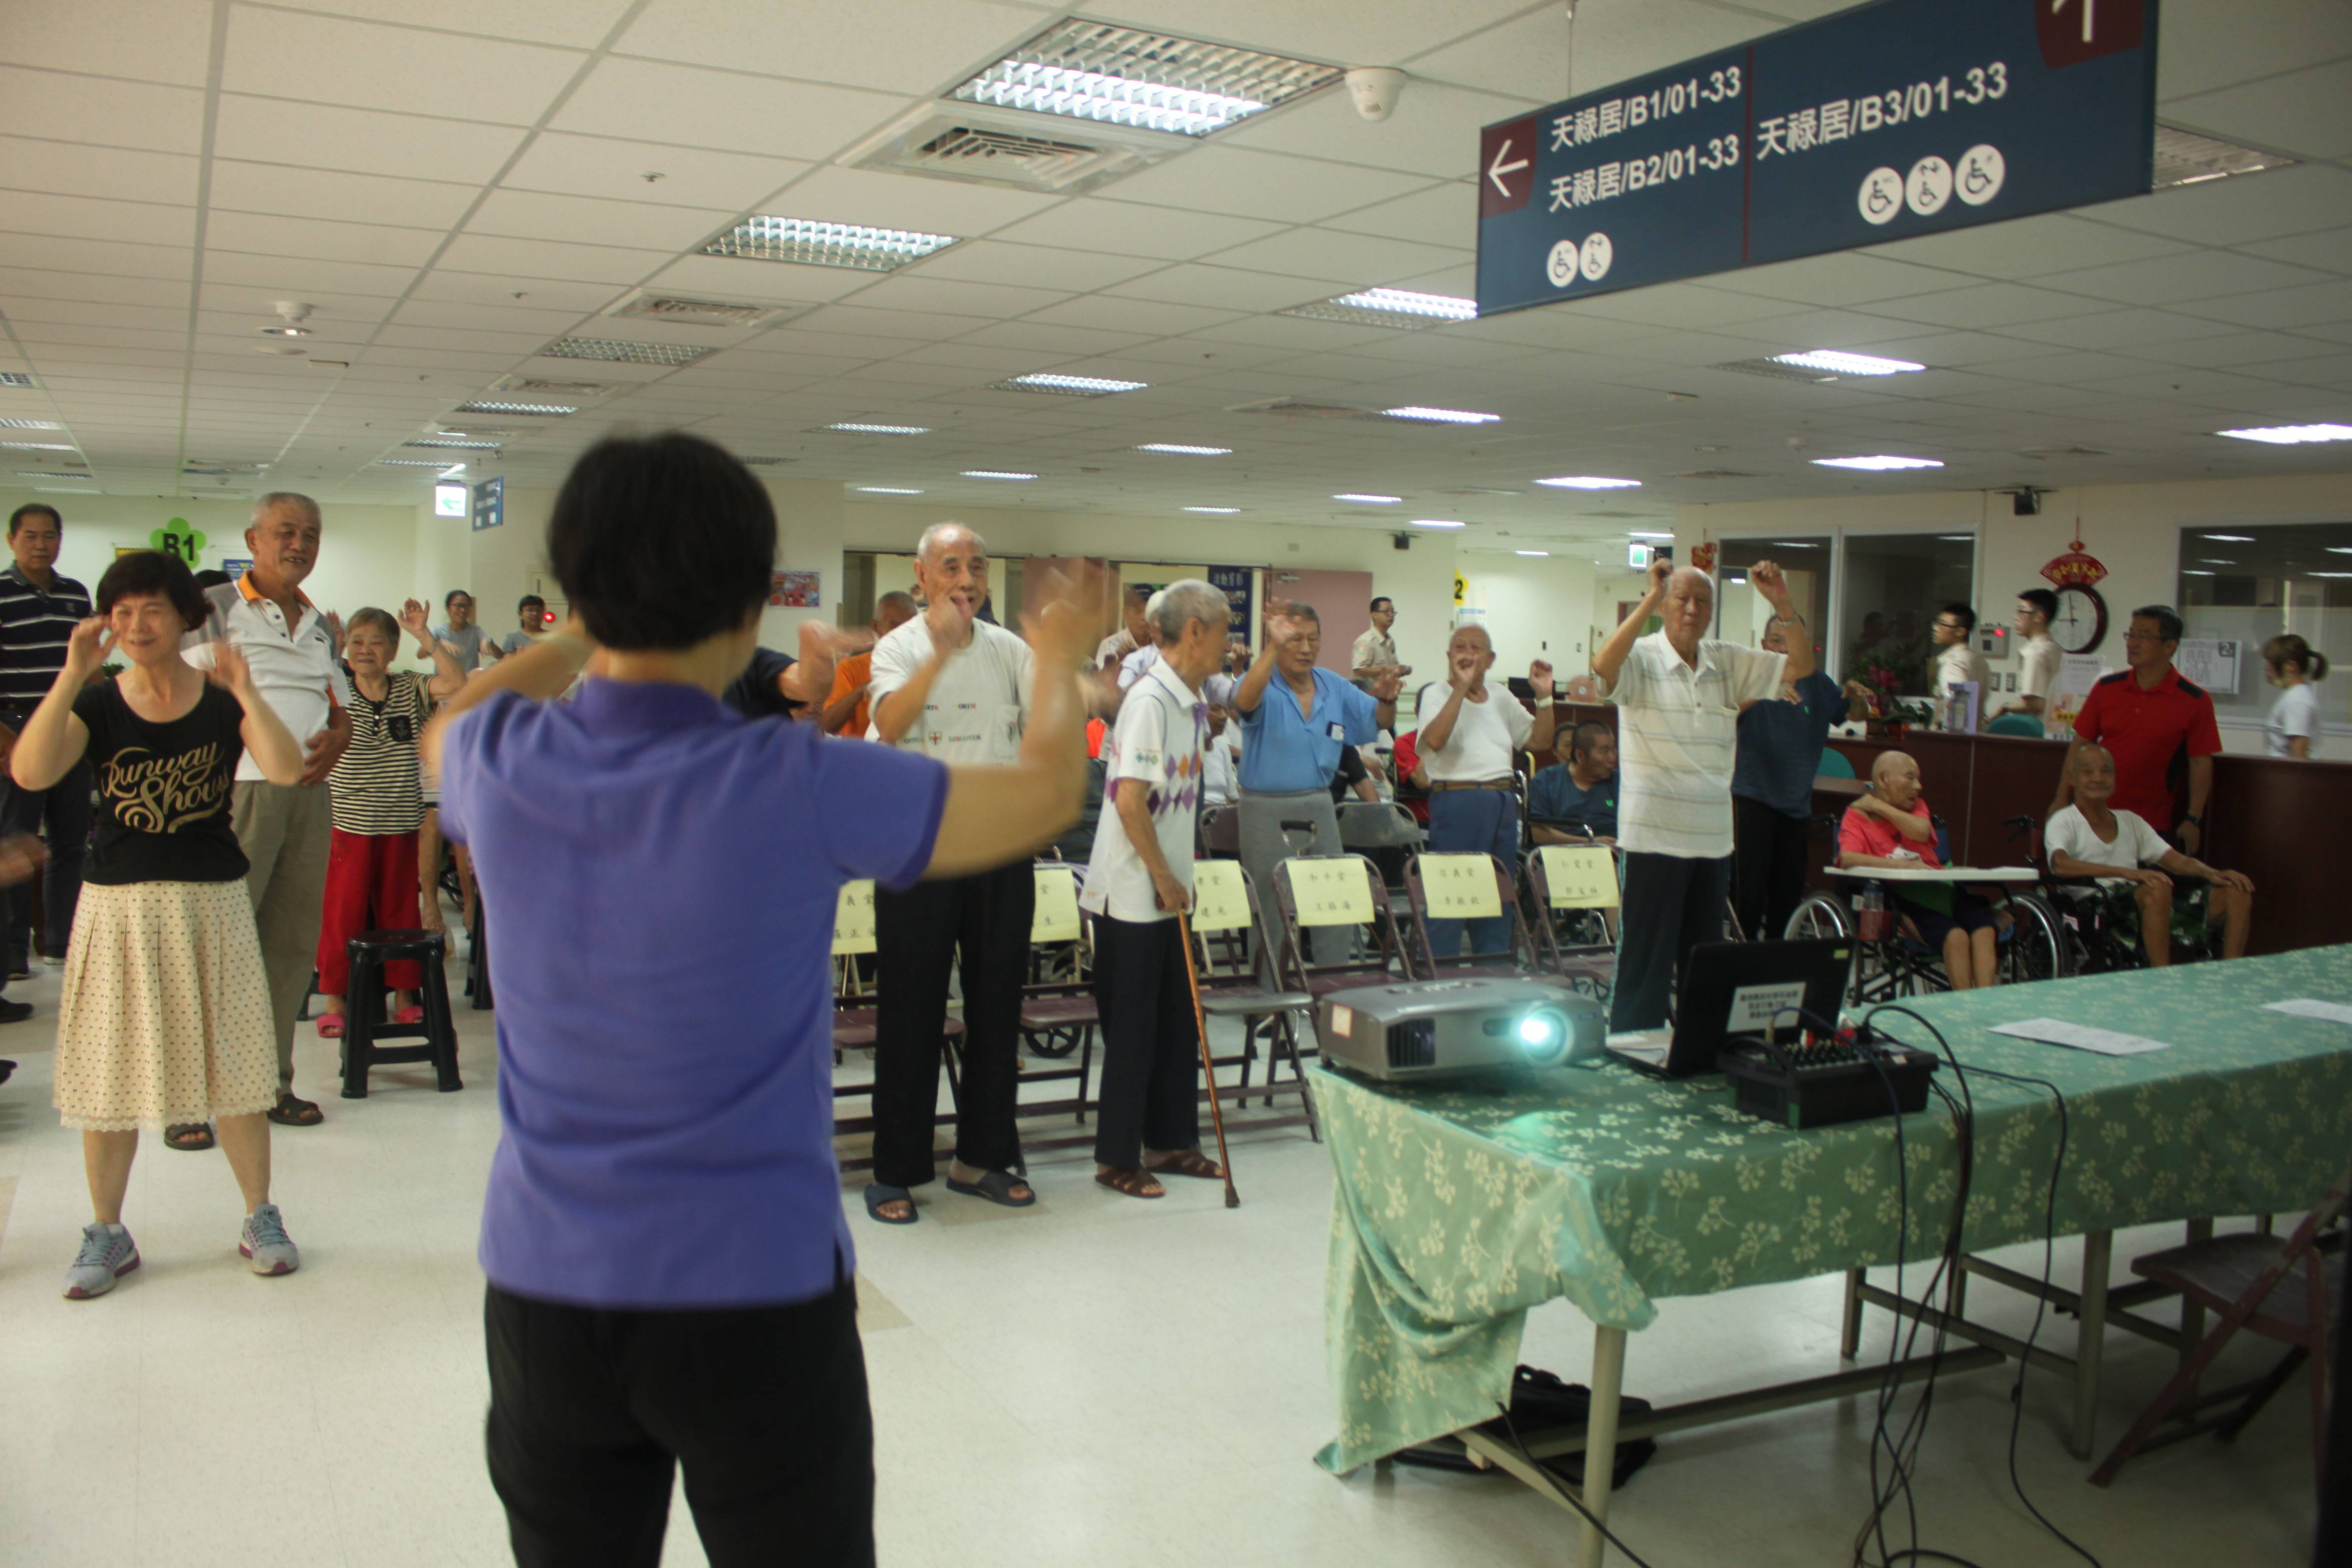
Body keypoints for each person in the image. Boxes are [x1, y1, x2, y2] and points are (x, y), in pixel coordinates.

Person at [422, 431, 1091, 1566]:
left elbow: (445, 725)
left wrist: (578, 629)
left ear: (578, 592)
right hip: (757, 1293)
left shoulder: (501, 759)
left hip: (549, 1287)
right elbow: (1040, 800)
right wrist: (1060, 654)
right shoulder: (796, 779)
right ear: (748, 614)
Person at [11, 549, 308, 1298]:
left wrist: (247, 691)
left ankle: (259, 1216)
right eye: (122, 611)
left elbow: (282, 769)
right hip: (119, 907)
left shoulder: (217, 700)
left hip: (212, 902)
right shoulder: (100, 703)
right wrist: (70, 675)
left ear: (185, 618)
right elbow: (32, 772)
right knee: (110, 1073)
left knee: (238, 1072)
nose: (135, 625)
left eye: (151, 609)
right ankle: (107, 1231)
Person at [863, 522, 1039, 1225]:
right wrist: (935, 655)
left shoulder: (1008, 650)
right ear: (923, 578)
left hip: (998, 842)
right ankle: (896, 1169)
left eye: (976, 567)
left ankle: (982, 1158)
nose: (965, 580)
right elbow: (891, 716)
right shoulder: (896, 646)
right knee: (912, 1007)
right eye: (951, 567)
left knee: (997, 1004)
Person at [181, 493, 352, 1141]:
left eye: (311, 533)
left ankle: (271, 1084)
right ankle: (192, 1098)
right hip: (239, 794)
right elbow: (186, 699)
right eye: (286, 532)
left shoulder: (315, 620)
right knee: (222, 948)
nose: (299, 544)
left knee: (288, 948)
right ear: (253, 538)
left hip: (310, 795)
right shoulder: (215, 610)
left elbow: (334, 699)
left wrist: (340, 731)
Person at [1592, 557, 1807, 1031]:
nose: (1692, 609)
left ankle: (1700, 1046)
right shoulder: (1644, 655)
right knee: (1646, 959)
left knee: (1705, 960)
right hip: (1652, 836)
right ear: (1666, 607)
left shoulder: (1727, 660)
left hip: (1711, 839)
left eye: (1701, 601)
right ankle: (1632, 1044)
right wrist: (1649, 594)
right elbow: (1604, 665)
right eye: (1681, 600)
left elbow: (1801, 666)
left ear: (1711, 611)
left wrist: (1784, 604)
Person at [1080, 580, 1230, 1200]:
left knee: (1177, 1024)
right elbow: (1129, 798)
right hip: (1132, 893)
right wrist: (1164, 875)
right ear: (1193, 630)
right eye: (1223, 628)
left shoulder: (1190, 700)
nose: (1230, 641)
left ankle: (1170, 1141)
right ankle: (1117, 1157)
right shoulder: (1149, 700)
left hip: (1169, 891)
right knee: (1135, 1029)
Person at [312, 603, 463, 1036]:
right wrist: (327, 652)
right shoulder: (334, 688)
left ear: (393, 649)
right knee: (343, 914)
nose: (366, 650)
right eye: (357, 641)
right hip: (347, 826)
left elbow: (455, 680)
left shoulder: (409, 687)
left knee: (400, 915)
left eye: (376, 641)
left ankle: (404, 995)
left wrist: (424, 635)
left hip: (400, 824)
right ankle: (335, 999)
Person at [1230, 601, 1399, 962]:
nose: (1305, 648)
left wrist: (1386, 697)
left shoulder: (1333, 686)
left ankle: (1331, 990)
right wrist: (1272, 648)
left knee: (1333, 900)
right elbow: (1244, 700)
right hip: (1265, 808)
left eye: (1312, 638)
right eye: (1294, 639)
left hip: (1320, 806)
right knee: (1270, 905)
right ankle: (1268, 1002)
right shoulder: (1264, 679)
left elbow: (1379, 719)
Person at [2045, 743, 2254, 966]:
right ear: (2073, 779)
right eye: (2088, 772)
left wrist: (2212, 873)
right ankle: (2161, 976)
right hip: (2095, 906)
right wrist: (2128, 873)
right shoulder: (2064, 820)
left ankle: (2232, 971)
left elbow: (2173, 860)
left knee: (2236, 890)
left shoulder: (2131, 821)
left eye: (2106, 771)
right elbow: (2060, 865)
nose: (2098, 778)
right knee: (2157, 886)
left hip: (2143, 900)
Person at [1415, 625, 1554, 958]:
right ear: (1449, 657)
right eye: (1459, 647)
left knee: (1498, 896)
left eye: (1476, 648)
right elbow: (1434, 742)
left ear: (1490, 659)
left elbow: (1540, 742)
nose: (1467, 653)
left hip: (1503, 802)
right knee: (1451, 896)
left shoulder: (1501, 696)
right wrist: (1460, 689)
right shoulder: (1437, 692)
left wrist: (1545, 696)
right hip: (1458, 801)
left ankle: (1492, 969)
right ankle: (1438, 979)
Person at [0, 501, 93, 1000]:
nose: (41, 544)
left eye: (49, 536)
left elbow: (90, 664)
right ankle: (14, 951)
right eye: (31, 536)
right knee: (15, 844)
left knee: (70, 842)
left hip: (70, 727)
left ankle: (61, 941)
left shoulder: (76, 595)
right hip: (14, 729)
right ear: (13, 540)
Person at [2053, 604, 2222, 854]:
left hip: (2150, 823)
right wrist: (2060, 799)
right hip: (2092, 815)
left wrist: (2193, 818)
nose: (2133, 643)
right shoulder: (2107, 688)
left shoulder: (2194, 699)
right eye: (2131, 635)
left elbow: (2200, 763)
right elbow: (2080, 745)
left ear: (2169, 646)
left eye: (2143, 636)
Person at [1837, 752, 2000, 989]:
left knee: (1984, 929)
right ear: (1883, 780)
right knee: (1956, 937)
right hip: (1904, 897)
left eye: (1918, 779)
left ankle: (1984, 1001)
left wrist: (1878, 806)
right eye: (1910, 778)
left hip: (1941, 888)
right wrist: (1903, 866)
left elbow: (1921, 831)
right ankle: (1966, 1007)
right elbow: (1848, 858)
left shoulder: (1916, 806)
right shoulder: (1856, 817)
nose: (1919, 786)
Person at [1731, 616, 1845, 941]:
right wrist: (1769, 687)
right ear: (1765, 645)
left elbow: (1852, 713)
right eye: (1777, 640)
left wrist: (1860, 699)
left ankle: (1774, 971)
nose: (1785, 648)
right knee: (1748, 896)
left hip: (1795, 807)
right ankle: (1739, 967)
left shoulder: (1819, 684)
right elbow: (1723, 712)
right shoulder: (1751, 678)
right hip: (1751, 799)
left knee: (1787, 896)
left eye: (1792, 641)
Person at [821, 590, 916, 736]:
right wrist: (861, 691)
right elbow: (829, 725)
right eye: (894, 626)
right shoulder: (851, 667)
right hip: (861, 756)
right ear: (876, 627)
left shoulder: (926, 666)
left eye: (909, 627)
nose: (901, 634)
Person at [1529, 722, 1617, 845]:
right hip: (1561, 855)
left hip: (1613, 855)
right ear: (1580, 756)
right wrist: (1591, 842)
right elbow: (1540, 835)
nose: (1613, 758)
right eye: (1604, 751)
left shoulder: (1619, 782)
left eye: (1614, 749)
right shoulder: (1546, 780)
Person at [1991, 589, 2060, 726]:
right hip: (2056, 729)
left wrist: (2005, 707)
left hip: (2035, 730)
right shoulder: (2055, 648)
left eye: (2021, 611)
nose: (2016, 617)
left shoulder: (2035, 653)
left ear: (2039, 617)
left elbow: (2036, 704)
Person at [2262, 633, 2327, 759]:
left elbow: (2299, 757)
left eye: (2271, 663)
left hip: (2290, 777)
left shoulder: (2297, 700)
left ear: (2291, 667)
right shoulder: (2294, 695)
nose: (2267, 669)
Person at [1930, 603, 1990, 730]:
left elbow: (1960, 707)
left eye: (1942, 624)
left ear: (1961, 631)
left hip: (1954, 739)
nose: (1936, 628)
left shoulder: (1954, 662)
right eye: (1937, 623)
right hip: (1974, 738)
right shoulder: (1979, 660)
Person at [1352, 596, 1409, 684]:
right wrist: (1390, 669)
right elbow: (1359, 672)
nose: (1391, 615)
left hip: (1386, 695)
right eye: (1386, 611)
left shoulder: (1390, 641)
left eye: (1392, 612)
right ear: (1374, 614)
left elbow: (1391, 671)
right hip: (1369, 695)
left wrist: (1401, 671)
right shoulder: (1366, 641)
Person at [431, 589, 491, 672]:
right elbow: (421, 654)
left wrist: (488, 641)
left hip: (470, 683)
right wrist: (439, 643)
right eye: (458, 606)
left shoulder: (476, 631)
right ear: (448, 608)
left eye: (467, 607)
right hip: (444, 683)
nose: (463, 610)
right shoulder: (438, 631)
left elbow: (499, 654)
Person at [1095, 585, 1150, 671]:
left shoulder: (1163, 645)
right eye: (1138, 611)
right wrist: (1121, 663)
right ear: (1125, 614)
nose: (1143, 617)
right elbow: (1103, 683)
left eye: (1148, 610)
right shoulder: (1109, 646)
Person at [501, 594, 547, 658]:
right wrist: (519, 657)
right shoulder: (512, 639)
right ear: (520, 614)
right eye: (530, 610)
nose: (535, 614)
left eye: (539, 610)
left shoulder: (553, 637)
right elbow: (506, 663)